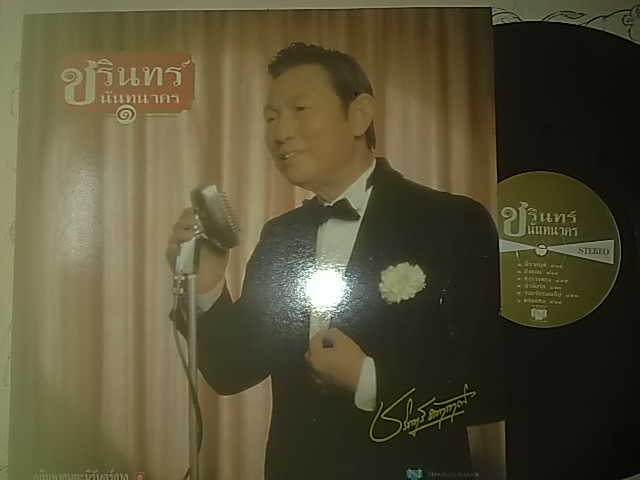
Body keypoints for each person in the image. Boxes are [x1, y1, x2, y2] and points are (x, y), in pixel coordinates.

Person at [167, 42, 505, 480]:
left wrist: (370, 379)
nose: (280, 131)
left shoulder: (453, 221)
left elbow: (492, 385)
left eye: (300, 109)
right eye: (271, 117)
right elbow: (233, 372)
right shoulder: (280, 236)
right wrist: (209, 286)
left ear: (359, 115)